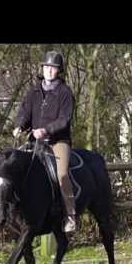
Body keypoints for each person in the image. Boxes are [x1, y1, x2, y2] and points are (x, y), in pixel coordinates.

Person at [12, 50, 77, 232]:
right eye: (47, 66)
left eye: (53, 68)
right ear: (43, 68)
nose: (49, 70)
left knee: (62, 174)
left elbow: (64, 120)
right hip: (35, 142)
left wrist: (45, 130)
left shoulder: (65, 93)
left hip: (58, 141)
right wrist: (19, 125)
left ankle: (71, 215)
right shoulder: (33, 91)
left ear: (59, 70)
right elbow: (24, 111)